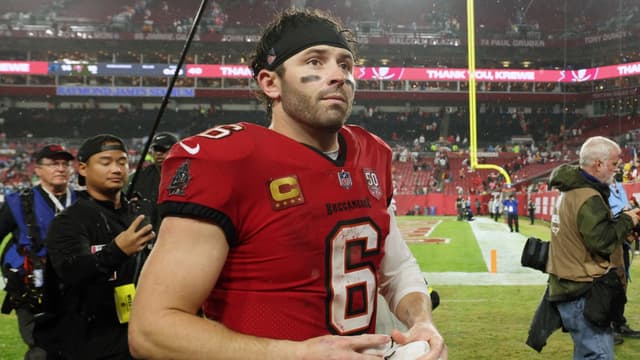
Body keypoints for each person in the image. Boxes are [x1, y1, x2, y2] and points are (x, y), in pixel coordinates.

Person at [129, 8, 447, 360]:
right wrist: (297, 354)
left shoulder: (372, 154)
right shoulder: (228, 160)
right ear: (270, 83)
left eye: (345, 64)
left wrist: (421, 321)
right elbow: (152, 330)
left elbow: (395, 267)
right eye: (314, 62)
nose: (337, 75)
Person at [34, 134, 155, 359]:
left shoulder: (137, 216)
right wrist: (117, 251)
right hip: (84, 342)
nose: (117, 169)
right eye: (106, 162)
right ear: (82, 168)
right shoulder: (70, 220)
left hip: (134, 339)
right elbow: (72, 271)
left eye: (122, 161)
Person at [546, 136, 640, 359]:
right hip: (583, 291)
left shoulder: (572, 189)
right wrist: (628, 220)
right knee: (599, 355)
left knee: (587, 353)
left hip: (570, 287)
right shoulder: (587, 196)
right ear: (598, 164)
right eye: (614, 164)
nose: (617, 170)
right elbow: (602, 240)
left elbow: (591, 233)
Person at [0, 144, 76, 360]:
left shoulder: (83, 200)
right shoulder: (17, 202)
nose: (61, 169)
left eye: (65, 164)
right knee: (41, 349)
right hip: (31, 286)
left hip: (75, 285)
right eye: (53, 164)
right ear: (38, 169)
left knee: (76, 345)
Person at [607, 169, 640, 342]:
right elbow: (610, 213)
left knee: (622, 281)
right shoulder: (600, 188)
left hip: (623, 240)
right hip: (610, 241)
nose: (616, 167)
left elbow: (626, 209)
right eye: (613, 163)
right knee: (611, 282)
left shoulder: (619, 186)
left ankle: (619, 322)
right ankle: (608, 326)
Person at [127, 132, 178, 231]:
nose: (158, 153)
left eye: (163, 150)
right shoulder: (142, 175)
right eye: (156, 150)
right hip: (147, 232)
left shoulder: (185, 174)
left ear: (175, 150)